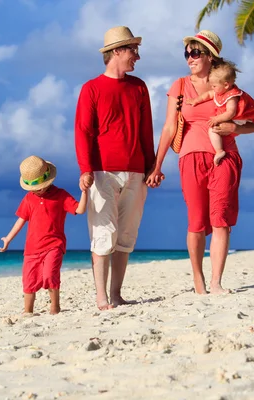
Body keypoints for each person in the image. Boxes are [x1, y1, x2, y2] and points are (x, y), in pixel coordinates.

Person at [145, 30, 254, 294]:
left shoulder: (227, 85)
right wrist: (157, 165)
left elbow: (253, 124)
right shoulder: (180, 86)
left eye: (195, 53)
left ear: (210, 56)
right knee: (196, 222)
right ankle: (199, 280)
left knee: (221, 220)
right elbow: (168, 128)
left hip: (225, 157)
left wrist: (233, 127)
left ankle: (217, 282)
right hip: (191, 157)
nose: (190, 58)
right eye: (187, 53)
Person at [75, 26, 155, 310]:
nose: (137, 56)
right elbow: (83, 131)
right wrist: (85, 169)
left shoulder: (139, 87)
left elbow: (147, 132)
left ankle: (117, 294)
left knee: (126, 236)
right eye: (133, 50)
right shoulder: (91, 88)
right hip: (101, 172)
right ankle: (101, 297)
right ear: (118, 51)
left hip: (136, 172)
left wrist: (151, 168)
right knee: (103, 232)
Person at [0, 155, 87, 314]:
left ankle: (55, 307)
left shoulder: (60, 195)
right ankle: (28, 311)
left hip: (54, 245)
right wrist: (8, 239)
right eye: (33, 188)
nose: (36, 190)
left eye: (39, 186)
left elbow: (79, 209)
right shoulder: (29, 198)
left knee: (49, 276)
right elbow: (20, 220)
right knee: (29, 281)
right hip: (32, 248)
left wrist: (85, 193)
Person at [186, 60, 254, 165]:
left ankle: (219, 151)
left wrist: (217, 119)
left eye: (214, 86)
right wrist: (196, 100)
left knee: (212, 130)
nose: (212, 88)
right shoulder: (220, 91)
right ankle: (219, 149)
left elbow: (231, 113)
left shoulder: (231, 97)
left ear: (226, 85)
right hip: (229, 118)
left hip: (238, 119)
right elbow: (208, 95)